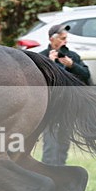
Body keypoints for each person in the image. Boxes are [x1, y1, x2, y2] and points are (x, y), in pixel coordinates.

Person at [39, 24, 91, 165]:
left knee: (63, 146)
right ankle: (48, 178)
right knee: (50, 147)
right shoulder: (42, 57)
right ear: (52, 39)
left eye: (66, 38)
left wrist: (71, 65)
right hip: (51, 108)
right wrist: (49, 64)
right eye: (62, 39)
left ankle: (60, 177)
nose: (65, 42)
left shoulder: (72, 56)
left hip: (68, 108)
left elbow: (86, 75)